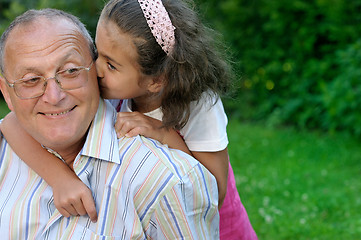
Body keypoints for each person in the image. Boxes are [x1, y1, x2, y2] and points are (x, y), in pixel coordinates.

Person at [2, 0, 257, 239]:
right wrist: (59, 178)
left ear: (156, 81)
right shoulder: (112, 86)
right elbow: (9, 123)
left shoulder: (199, 104)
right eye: (97, 54)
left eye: (111, 65)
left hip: (220, 222)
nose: (96, 69)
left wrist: (162, 133)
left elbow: (212, 189)